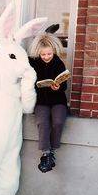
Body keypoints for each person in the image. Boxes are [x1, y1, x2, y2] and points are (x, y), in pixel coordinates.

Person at [28, 32, 68, 173]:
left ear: (54, 51)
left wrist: (58, 87)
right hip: (41, 101)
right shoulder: (33, 62)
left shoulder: (58, 63)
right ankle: (45, 154)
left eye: (49, 54)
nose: (46, 57)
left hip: (58, 100)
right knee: (42, 122)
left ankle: (52, 150)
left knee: (58, 121)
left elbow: (64, 86)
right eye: (43, 54)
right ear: (38, 52)